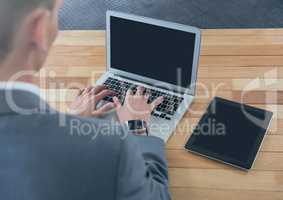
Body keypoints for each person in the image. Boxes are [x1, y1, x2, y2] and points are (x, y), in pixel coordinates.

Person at [0, 0, 171, 200]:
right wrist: (136, 127)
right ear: (39, 29)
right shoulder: (113, 147)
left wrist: (68, 120)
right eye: (57, 13)